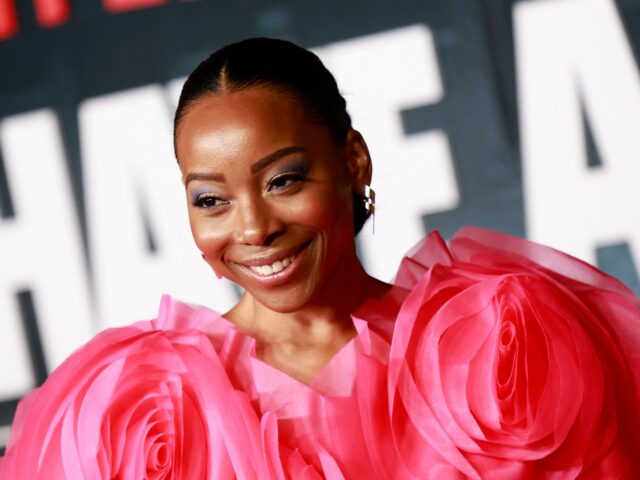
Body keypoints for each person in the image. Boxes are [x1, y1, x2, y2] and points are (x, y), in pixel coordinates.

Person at [1, 38, 639, 480]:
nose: (253, 228)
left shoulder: (502, 348)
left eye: (282, 180)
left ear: (352, 161)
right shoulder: (139, 415)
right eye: (212, 199)